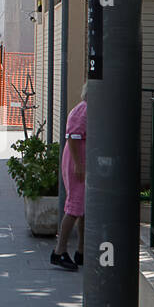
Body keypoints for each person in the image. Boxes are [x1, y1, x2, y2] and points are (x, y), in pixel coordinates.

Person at [51, 90, 87, 271]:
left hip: (81, 163)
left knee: (83, 210)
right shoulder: (84, 110)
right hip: (77, 165)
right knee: (74, 207)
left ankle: (81, 251)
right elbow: (72, 136)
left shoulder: (86, 108)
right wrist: (79, 165)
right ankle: (59, 251)